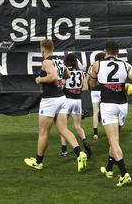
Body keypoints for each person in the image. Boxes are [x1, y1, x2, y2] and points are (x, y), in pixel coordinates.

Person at [24, 39, 87, 172]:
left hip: (50, 100)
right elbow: (68, 74)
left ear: (42, 49)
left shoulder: (47, 61)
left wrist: (39, 79)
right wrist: (60, 80)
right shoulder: (59, 60)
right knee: (63, 130)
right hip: (61, 98)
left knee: (43, 132)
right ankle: (79, 153)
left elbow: (52, 76)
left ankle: (38, 162)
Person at [88, 40, 132, 187]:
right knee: (115, 139)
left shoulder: (97, 64)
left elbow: (92, 84)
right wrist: (126, 88)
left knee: (113, 141)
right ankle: (109, 168)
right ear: (117, 52)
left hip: (108, 105)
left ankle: (124, 173)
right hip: (122, 105)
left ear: (105, 51)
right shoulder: (126, 65)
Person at [58, 53, 92, 159]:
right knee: (78, 126)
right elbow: (86, 88)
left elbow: (61, 85)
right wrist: (76, 90)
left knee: (63, 127)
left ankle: (64, 151)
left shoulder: (65, 71)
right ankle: (85, 142)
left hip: (66, 100)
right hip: (77, 101)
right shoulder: (81, 73)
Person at [88, 53, 105, 140]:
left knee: (95, 112)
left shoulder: (91, 67)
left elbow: (87, 78)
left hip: (94, 90)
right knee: (105, 110)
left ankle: (95, 133)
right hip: (103, 90)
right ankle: (110, 130)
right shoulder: (104, 66)